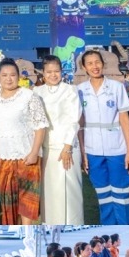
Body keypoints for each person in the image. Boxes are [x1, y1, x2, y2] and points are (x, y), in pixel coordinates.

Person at [0, 58, 48, 225]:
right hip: (2, 157)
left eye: (12, 75)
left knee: (28, 201)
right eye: (4, 75)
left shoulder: (29, 96)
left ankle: (26, 230)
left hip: (27, 157)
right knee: (7, 200)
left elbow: (41, 126)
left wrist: (34, 152)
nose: (8, 78)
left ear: (19, 76)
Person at [76, 50, 129, 225]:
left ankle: (125, 225)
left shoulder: (117, 87)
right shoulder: (79, 91)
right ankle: (108, 226)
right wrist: (83, 153)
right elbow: (80, 124)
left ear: (103, 63)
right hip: (92, 149)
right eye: (90, 63)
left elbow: (125, 119)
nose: (94, 66)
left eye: (97, 62)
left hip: (117, 148)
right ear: (84, 67)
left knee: (121, 192)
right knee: (102, 193)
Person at [34, 55, 83, 224]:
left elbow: (74, 120)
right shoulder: (36, 92)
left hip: (67, 148)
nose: (53, 75)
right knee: (50, 194)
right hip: (46, 149)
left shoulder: (71, 90)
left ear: (62, 72)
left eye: (56, 71)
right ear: (43, 72)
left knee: (70, 194)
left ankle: (72, 224)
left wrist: (67, 147)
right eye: (49, 72)